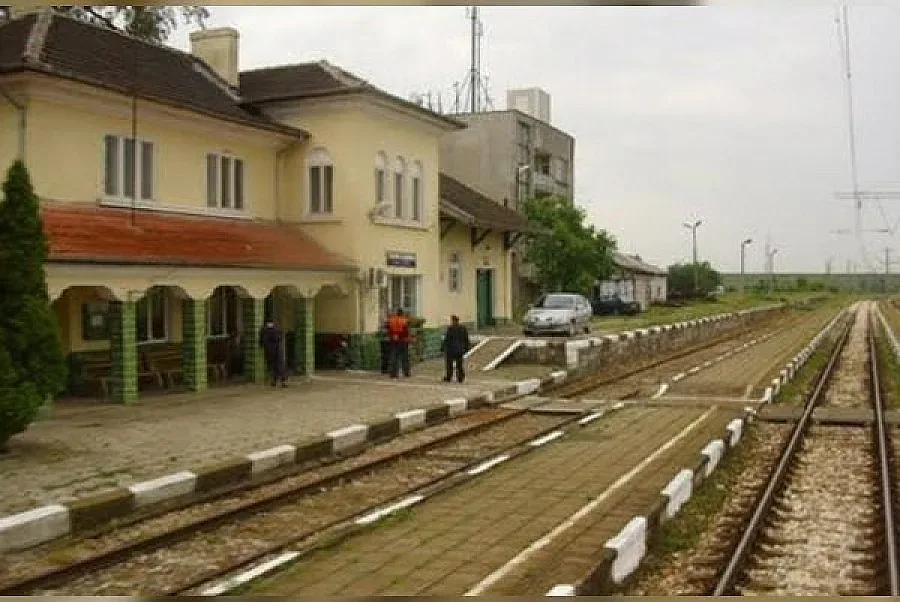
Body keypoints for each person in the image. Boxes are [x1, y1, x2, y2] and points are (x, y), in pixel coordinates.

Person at [441, 314, 470, 383]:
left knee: (449, 364)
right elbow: (466, 339)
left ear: (453, 321)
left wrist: (443, 348)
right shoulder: (463, 328)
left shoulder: (450, 328)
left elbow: (447, 339)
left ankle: (449, 377)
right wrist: (466, 348)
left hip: (451, 349)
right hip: (460, 349)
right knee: (459, 364)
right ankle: (460, 378)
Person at [259, 319, 287, 387]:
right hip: (276, 350)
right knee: (278, 366)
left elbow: (262, 341)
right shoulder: (275, 329)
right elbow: (280, 337)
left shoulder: (265, 330)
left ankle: (277, 381)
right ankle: (280, 381)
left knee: (274, 366)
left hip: (272, 351)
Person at [387, 307, 411, 378]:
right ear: (402, 313)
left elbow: (389, 329)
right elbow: (406, 331)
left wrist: (392, 336)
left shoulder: (392, 320)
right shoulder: (404, 320)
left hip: (394, 341)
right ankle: (406, 372)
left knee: (394, 357)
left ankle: (393, 373)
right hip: (403, 340)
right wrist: (408, 339)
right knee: (405, 357)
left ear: (396, 313)